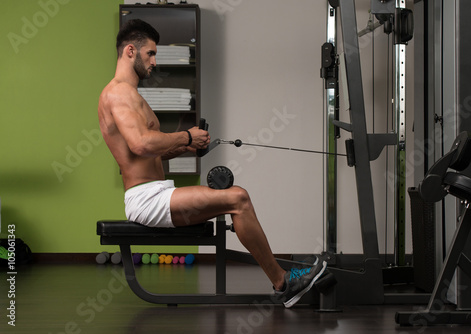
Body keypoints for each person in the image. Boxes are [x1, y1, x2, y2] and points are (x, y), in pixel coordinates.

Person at [97, 19, 326, 308]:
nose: (155, 61)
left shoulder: (131, 96)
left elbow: (150, 152)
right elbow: (141, 144)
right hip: (147, 199)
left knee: (237, 199)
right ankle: (284, 283)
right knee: (238, 198)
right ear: (131, 51)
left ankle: (284, 278)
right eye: (150, 54)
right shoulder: (119, 93)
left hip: (155, 193)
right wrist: (185, 135)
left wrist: (188, 145)